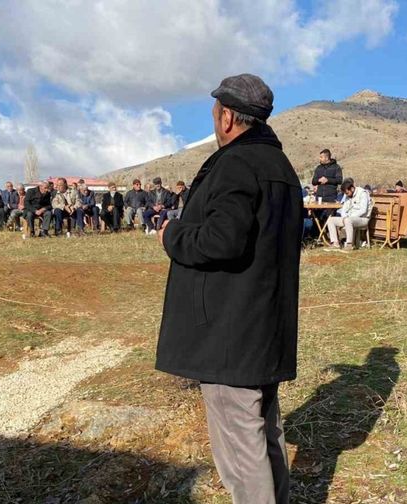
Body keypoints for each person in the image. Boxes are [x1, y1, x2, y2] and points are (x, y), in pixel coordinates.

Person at [156, 74, 301, 504]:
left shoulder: (237, 164)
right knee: (263, 433)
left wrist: (173, 234)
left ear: (226, 118)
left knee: (240, 447)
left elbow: (221, 240)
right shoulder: (281, 167)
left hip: (229, 332)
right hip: (263, 325)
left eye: (215, 113)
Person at [325, 179, 371, 250]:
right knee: (331, 220)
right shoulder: (348, 195)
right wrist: (344, 217)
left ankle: (349, 244)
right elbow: (344, 209)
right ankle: (335, 243)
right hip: (348, 218)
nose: (346, 195)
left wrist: (349, 217)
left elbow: (363, 210)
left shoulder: (362, 193)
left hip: (362, 219)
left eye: (347, 193)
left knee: (348, 220)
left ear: (352, 189)